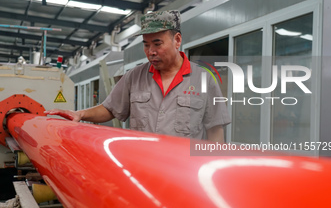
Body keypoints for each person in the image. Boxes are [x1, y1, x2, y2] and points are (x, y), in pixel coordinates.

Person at [45, 10, 230, 142]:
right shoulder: (134, 77)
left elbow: (214, 131)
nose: (151, 52)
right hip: (141, 169)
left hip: (184, 175)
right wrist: (80, 114)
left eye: (157, 44)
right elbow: (110, 109)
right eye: (146, 45)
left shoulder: (204, 80)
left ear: (177, 40)